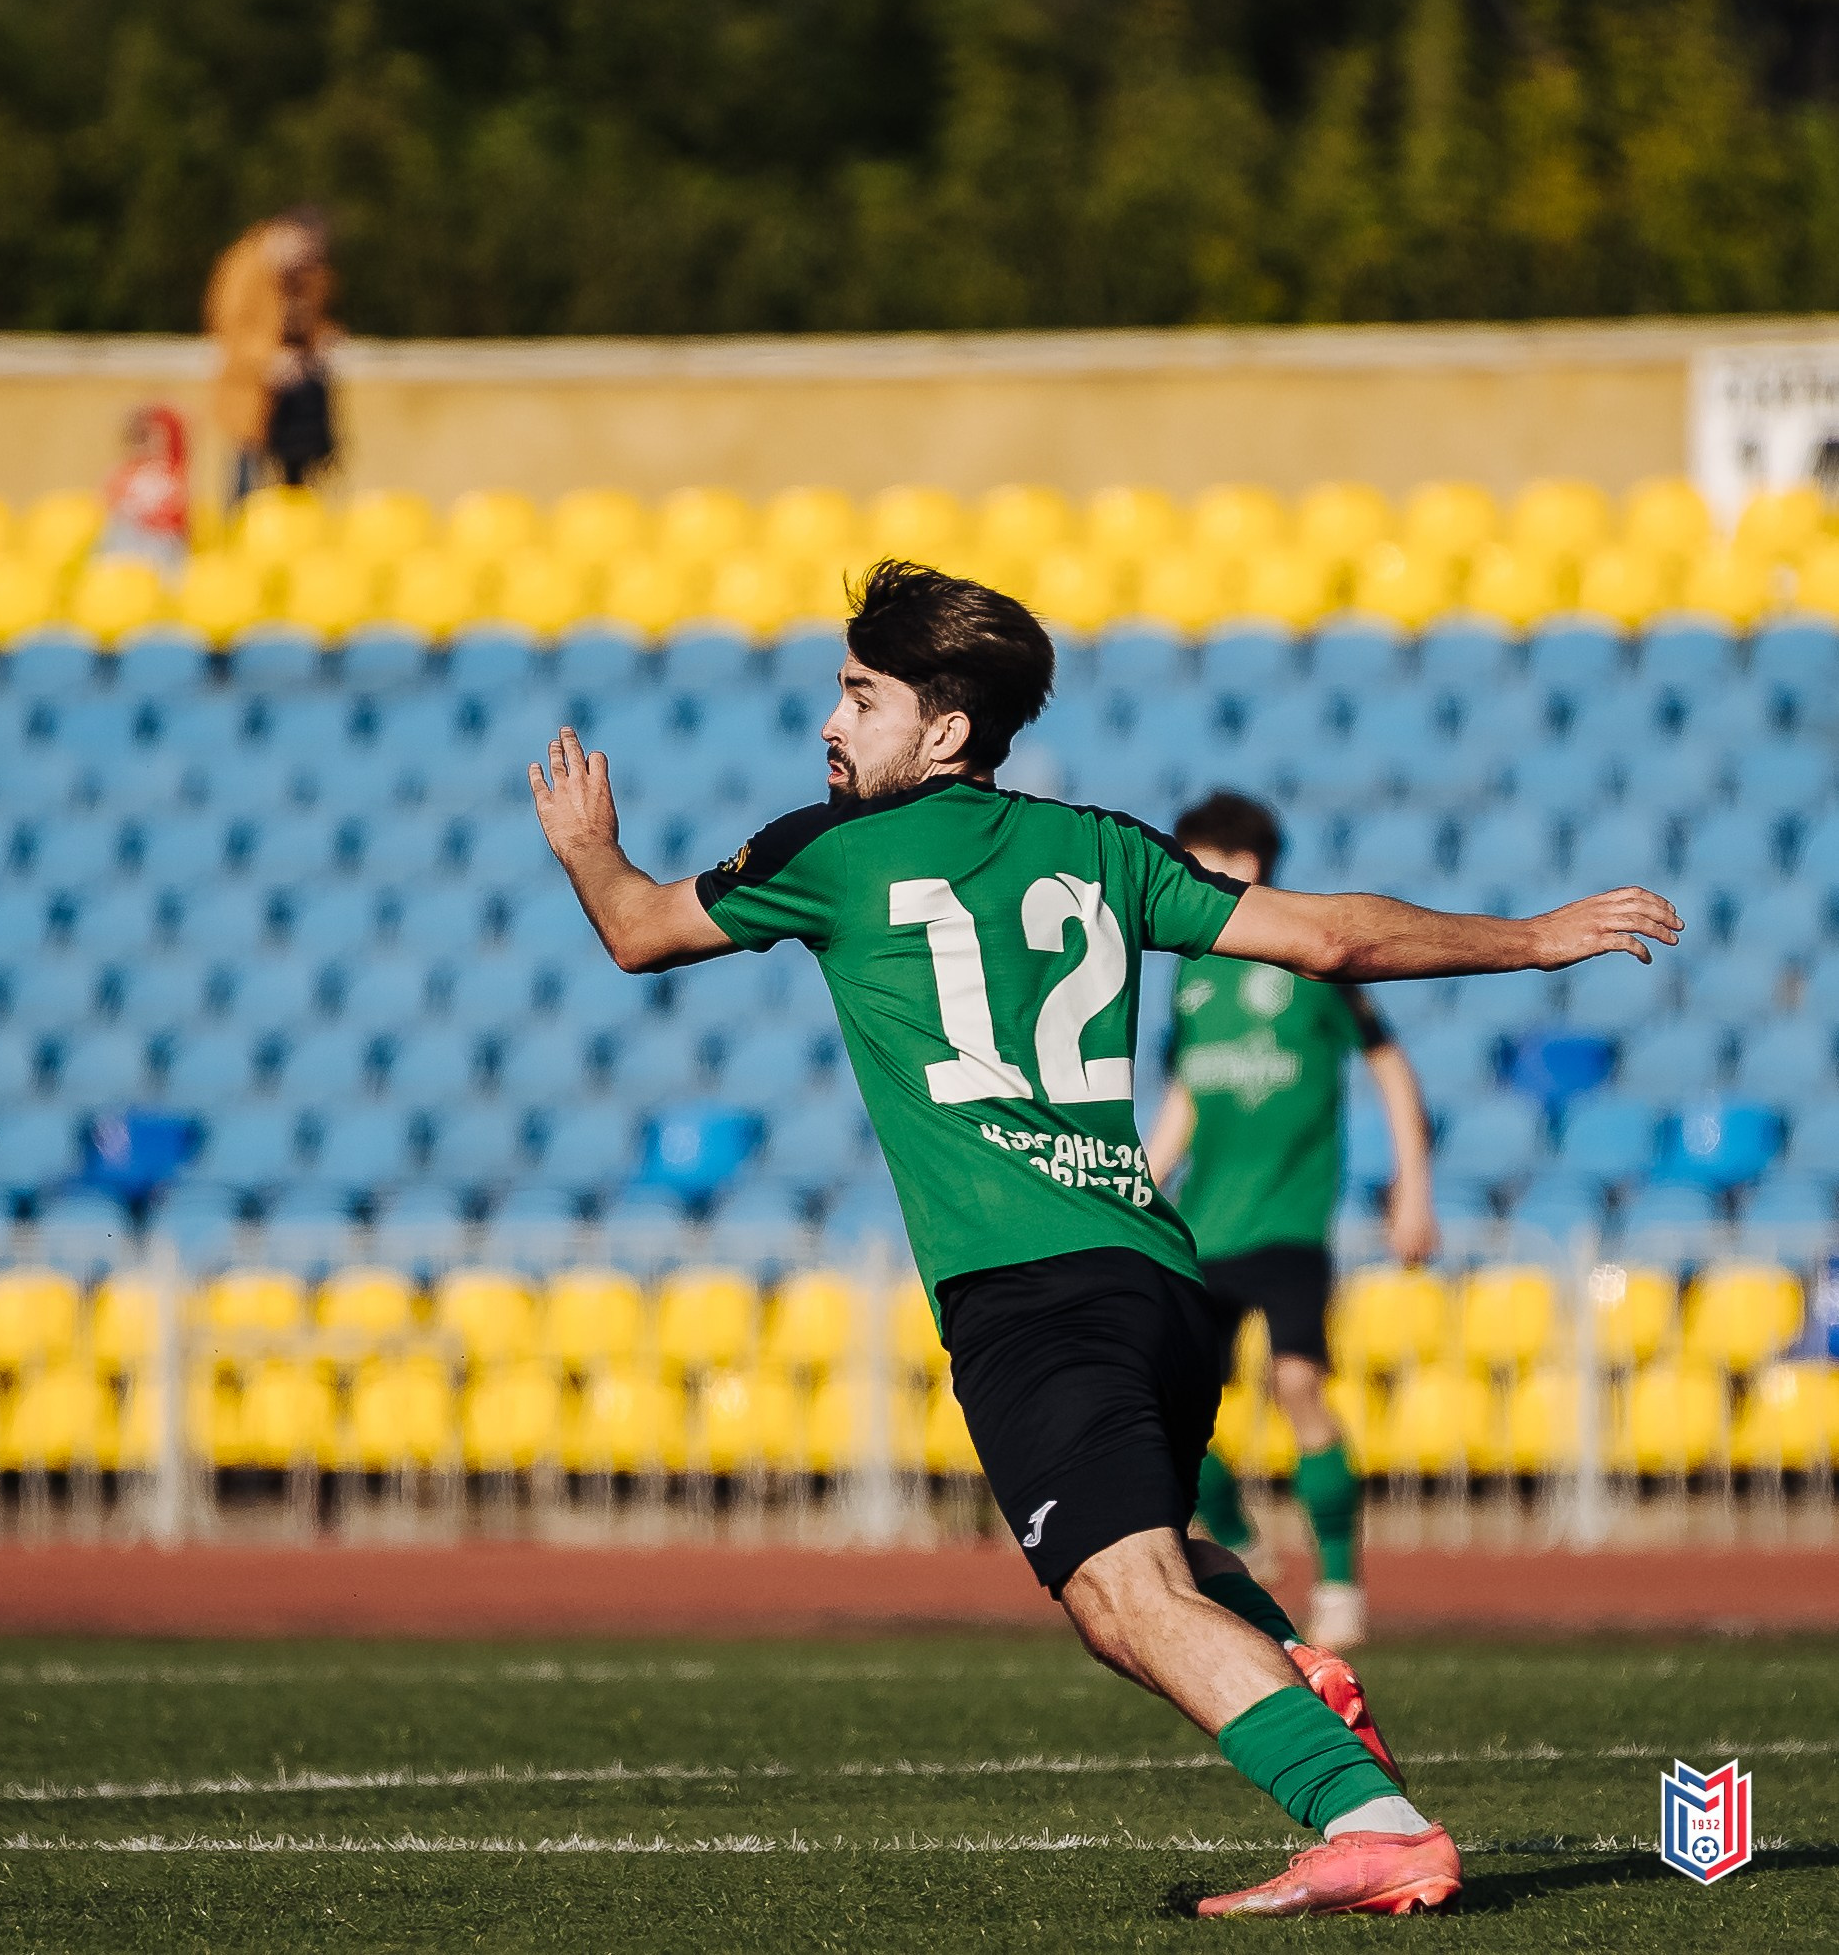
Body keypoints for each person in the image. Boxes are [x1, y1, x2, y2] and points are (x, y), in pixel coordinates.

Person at [528, 558, 1682, 1919]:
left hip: (1030, 1299)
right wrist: (1532, 937)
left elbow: (637, 929)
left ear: (944, 730)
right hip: (1158, 1284)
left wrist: (591, 850)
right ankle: (1288, 1668)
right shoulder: (1107, 847)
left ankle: (1371, 1821)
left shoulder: (823, 856)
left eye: (858, 697)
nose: (828, 726)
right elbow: (1326, 940)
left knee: (1120, 1596)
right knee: (1157, 1565)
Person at [1144, 790, 1437, 1654]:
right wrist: (1136, 1183)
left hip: (1290, 1226)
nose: (1193, 875)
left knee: (1298, 1385)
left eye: (1208, 860)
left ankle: (1340, 1581)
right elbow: (1186, 1096)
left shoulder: (1313, 960)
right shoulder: (1194, 974)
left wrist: (1412, 1184)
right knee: (1169, 1403)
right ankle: (1234, 1535)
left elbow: (1388, 1065)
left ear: (1252, 865)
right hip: (1204, 1225)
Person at [204, 205, 342, 503]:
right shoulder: (243, 267)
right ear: (285, 234)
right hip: (250, 392)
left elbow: (313, 321)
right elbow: (229, 331)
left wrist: (320, 341)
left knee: (297, 479)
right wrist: (270, 360)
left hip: (295, 401)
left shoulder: (309, 274)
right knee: (246, 475)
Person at [96, 404, 192, 580]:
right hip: (128, 542)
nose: (145, 449)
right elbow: (110, 503)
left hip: (159, 544)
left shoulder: (165, 475)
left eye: (149, 440)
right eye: (139, 441)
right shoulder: (121, 474)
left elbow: (178, 511)